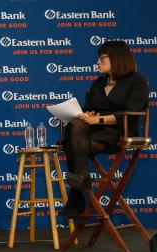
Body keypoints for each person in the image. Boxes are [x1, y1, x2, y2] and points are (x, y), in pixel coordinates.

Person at [59, 41, 149, 217]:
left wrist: (97, 119)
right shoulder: (98, 83)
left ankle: (77, 195)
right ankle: (81, 179)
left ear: (118, 59)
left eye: (102, 58)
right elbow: (89, 108)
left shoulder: (137, 81)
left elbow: (130, 112)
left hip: (121, 132)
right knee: (75, 128)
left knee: (73, 143)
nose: (98, 63)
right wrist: (87, 114)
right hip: (94, 133)